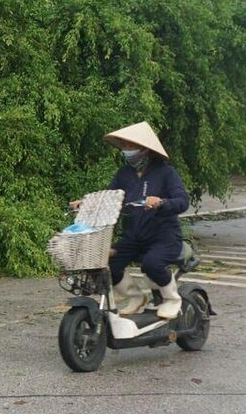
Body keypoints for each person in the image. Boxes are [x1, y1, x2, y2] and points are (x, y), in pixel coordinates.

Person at [73, 121, 190, 319]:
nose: (126, 151)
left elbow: (182, 201)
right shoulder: (124, 174)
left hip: (164, 236)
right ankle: (136, 298)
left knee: (152, 264)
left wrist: (161, 202)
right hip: (133, 236)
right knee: (108, 263)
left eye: (129, 146)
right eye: (124, 146)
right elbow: (108, 199)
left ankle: (172, 299)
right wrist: (85, 203)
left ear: (145, 149)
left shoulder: (166, 172)